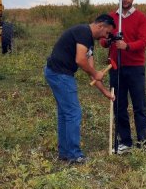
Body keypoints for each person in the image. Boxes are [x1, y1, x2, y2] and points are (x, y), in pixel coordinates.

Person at [44, 14, 116, 164]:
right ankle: (74, 155)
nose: (106, 36)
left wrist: (105, 92)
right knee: (73, 112)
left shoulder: (88, 41)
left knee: (65, 113)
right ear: (101, 25)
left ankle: (65, 152)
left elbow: (92, 72)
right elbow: (80, 60)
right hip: (60, 74)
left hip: (57, 73)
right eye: (107, 32)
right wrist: (95, 73)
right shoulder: (84, 32)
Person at [100, 0, 146, 154]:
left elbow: (143, 42)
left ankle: (142, 142)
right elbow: (103, 39)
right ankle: (125, 141)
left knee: (139, 106)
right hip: (117, 67)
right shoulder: (113, 17)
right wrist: (108, 41)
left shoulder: (141, 18)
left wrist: (127, 46)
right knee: (119, 105)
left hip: (135, 67)